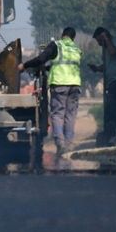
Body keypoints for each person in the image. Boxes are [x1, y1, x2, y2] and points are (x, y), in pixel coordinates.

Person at [18, 27, 83, 155]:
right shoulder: (77, 49)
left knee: (58, 114)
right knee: (70, 115)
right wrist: (48, 68)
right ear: (73, 38)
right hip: (75, 85)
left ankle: (60, 144)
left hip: (60, 84)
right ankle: (69, 144)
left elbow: (41, 59)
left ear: (63, 35)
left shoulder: (57, 45)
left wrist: (24, 65)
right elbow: (64, 65)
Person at [89, 27, 116, 145]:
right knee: (112, 110)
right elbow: (107, 65)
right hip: (110, 82)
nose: (99, 44)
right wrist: (96, 68)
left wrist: (106, 39)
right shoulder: (105, 48)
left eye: (99, 40)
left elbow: (114, 52)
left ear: (104, 35)